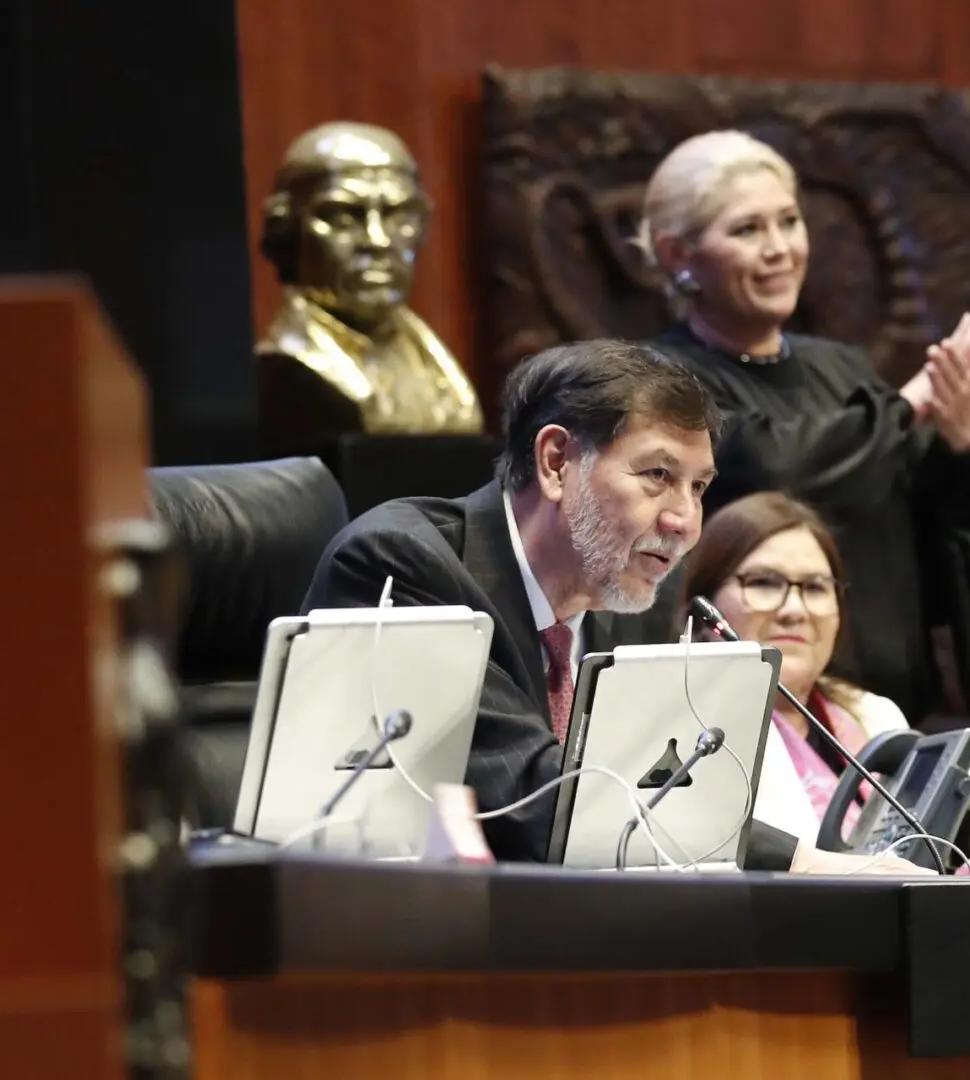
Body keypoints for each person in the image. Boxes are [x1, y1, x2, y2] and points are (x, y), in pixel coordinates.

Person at [301, 339, 921, 874]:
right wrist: (801, 862)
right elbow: (537, 802)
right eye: (658, 475)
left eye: (699, 487)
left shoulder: (637, 603)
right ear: (556, 463)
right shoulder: (405, 565)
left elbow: (669, 795)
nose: (685, 522)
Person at [638, 130, 970, 723]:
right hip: (750, 717)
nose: (779, 249)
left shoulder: (844, 369)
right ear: (677, 255)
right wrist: (907, 407)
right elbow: (774, 469)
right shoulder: (662, 382)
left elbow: (947, 528)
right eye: (747, 230)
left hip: (891, 707)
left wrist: (963, 437)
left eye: (789, 222)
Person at [679, 492, 908, 845]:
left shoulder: (876, 716)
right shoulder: (683, 730)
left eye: (815, 588)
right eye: (763, 583)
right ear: (705, 611)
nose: (795, 611)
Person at [256, 121, 483, 455]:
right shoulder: (287, 373)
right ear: (288, 231)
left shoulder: (440, 373)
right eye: (343, 216)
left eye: (398, 215)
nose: (378, 240)